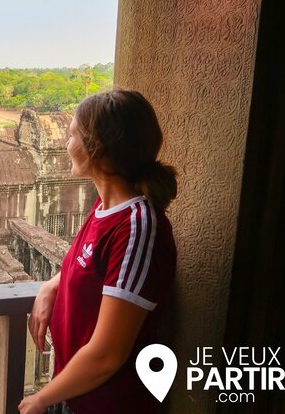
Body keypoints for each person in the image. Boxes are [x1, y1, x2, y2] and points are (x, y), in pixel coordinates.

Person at [20, 89, 178, 414]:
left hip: (107, 403)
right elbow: (93, 267)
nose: (67, 145)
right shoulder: (105, 209)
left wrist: (41, 398)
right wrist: (52, 285)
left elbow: (108, 353)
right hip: (75, 392)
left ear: (98, 149)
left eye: (73, 135)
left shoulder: (137, 227)